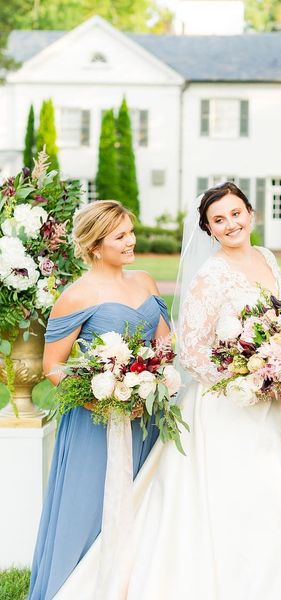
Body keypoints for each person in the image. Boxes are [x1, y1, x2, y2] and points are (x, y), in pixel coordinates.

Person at [54, 182, 281, 599]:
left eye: (236, 214)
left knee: (279, 494)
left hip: (274, 403)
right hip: (227, 405)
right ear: (209, 230)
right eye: (219, 220)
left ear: (250, 213)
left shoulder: (268, 259)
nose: (230, 224)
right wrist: (248, 377)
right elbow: (193, 350)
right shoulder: (211, 275)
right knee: (234, 498)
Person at [28, 200, 169, 600]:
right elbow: (52, 366)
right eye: (120, 235)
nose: (131, 241)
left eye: (131, 232)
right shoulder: (76, 296)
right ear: (94, 245)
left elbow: (164, 344)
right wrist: (102, 396)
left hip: (145, 412)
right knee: (89, 504)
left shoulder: (145, 282)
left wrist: (153, 377)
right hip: (95, 418)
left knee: (146, 499)